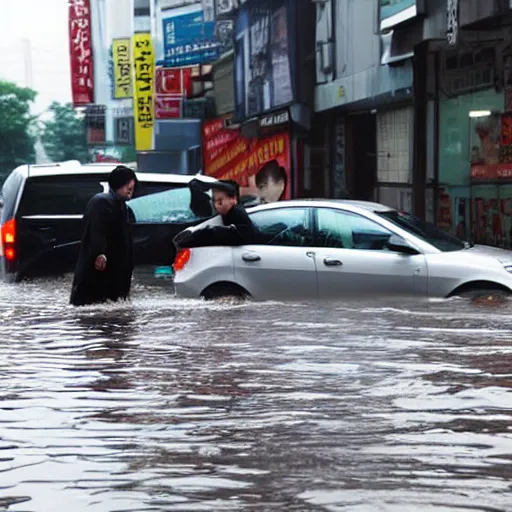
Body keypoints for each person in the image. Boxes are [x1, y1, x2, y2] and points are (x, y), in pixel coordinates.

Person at [70, 166, 137, 306]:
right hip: (99, 271)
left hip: (116, 274)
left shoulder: (124, 208)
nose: (131, 188)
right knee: (95, 309)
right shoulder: (101, 202)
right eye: (127, 185)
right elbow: (96, 230)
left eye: (132, 185)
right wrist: (100, 253)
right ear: (118, 184)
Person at [174, 179, 259, 250]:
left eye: (220, 201)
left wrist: (201, 234)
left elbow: (237, 234)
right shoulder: (223, 215)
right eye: (214, 201)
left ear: (233, 199)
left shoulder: (238, 214)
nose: (216, 205)